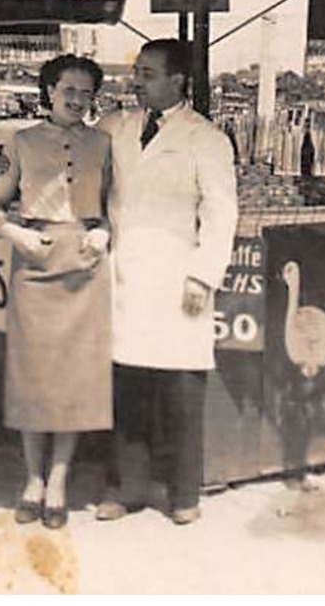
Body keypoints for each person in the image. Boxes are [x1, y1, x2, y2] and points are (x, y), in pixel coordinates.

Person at [94, 39, 238, 526]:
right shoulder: (116, 127)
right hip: (125, 272)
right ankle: (124, 487)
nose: (137, 81)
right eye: (136, 72)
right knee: (127, 385)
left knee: (179, 391)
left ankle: (182, 494)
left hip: (178, 275)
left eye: (149, 73)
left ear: (179, 81)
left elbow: (221, 212)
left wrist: (203, 274)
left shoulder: (207, 138)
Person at [0, 54, 113, 530]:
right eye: (68, 91)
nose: (77, 100)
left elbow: (114, 205)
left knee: (73, 379)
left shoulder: (104, 143)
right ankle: (32, 480)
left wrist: (103, 232)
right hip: (35, 262)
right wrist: (15, 234)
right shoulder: (20, 142)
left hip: (84, 264)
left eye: (85, 92)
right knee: (33, 377)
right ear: (49, 91)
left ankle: (58, 481)